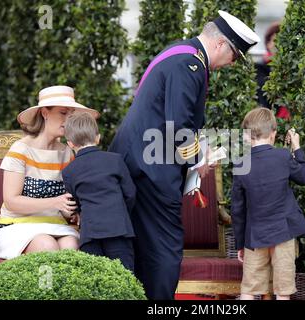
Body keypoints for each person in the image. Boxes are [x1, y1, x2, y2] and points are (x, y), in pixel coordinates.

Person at [109, 10, 260, 299]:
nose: (230, 64)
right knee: (165, 248)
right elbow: (179, 126)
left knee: (145, 247)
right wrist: (198, 161)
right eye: (234, 56)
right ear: (220, 44)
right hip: (151, 170)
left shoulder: (180, 51)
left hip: (140, 164)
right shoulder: (189, 64)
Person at [0, 85, 99, 259]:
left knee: (70, 246)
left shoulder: (67, 152)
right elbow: (12, 202)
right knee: (46, 245)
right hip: (16, 225)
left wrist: (73, 213)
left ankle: (66, 287)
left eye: (71, 115)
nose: (69, 120)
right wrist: (55, 203)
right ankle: (46, 287)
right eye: (63, 113)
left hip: (56, 225)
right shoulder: (21, 150)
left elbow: (66, 204)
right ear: (45, 113)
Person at [231, 108, 305, 300]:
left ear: (248, 137)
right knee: (283, 291)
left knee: (249, 289)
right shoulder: (283, 156)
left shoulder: (241, 164)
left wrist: (240, 244)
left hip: (255, 237)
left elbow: (238, 210)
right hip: (283, 233)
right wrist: (297, 148)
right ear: (273, 134)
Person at [62, 112, 136, 271]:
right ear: (98, 137)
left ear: (70, 144)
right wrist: (122, 214)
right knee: (124, 276)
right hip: (119, 229)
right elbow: (130, 194)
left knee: (96, 277)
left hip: (90, 233)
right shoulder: (115, 160)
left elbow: (74, 204)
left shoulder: (69, 171)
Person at [255, 22, 290, 119]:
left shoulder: (292, 69)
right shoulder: (259, 68)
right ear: (268, 44)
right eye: (275, 40)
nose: (278, 45)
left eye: (282, 41)